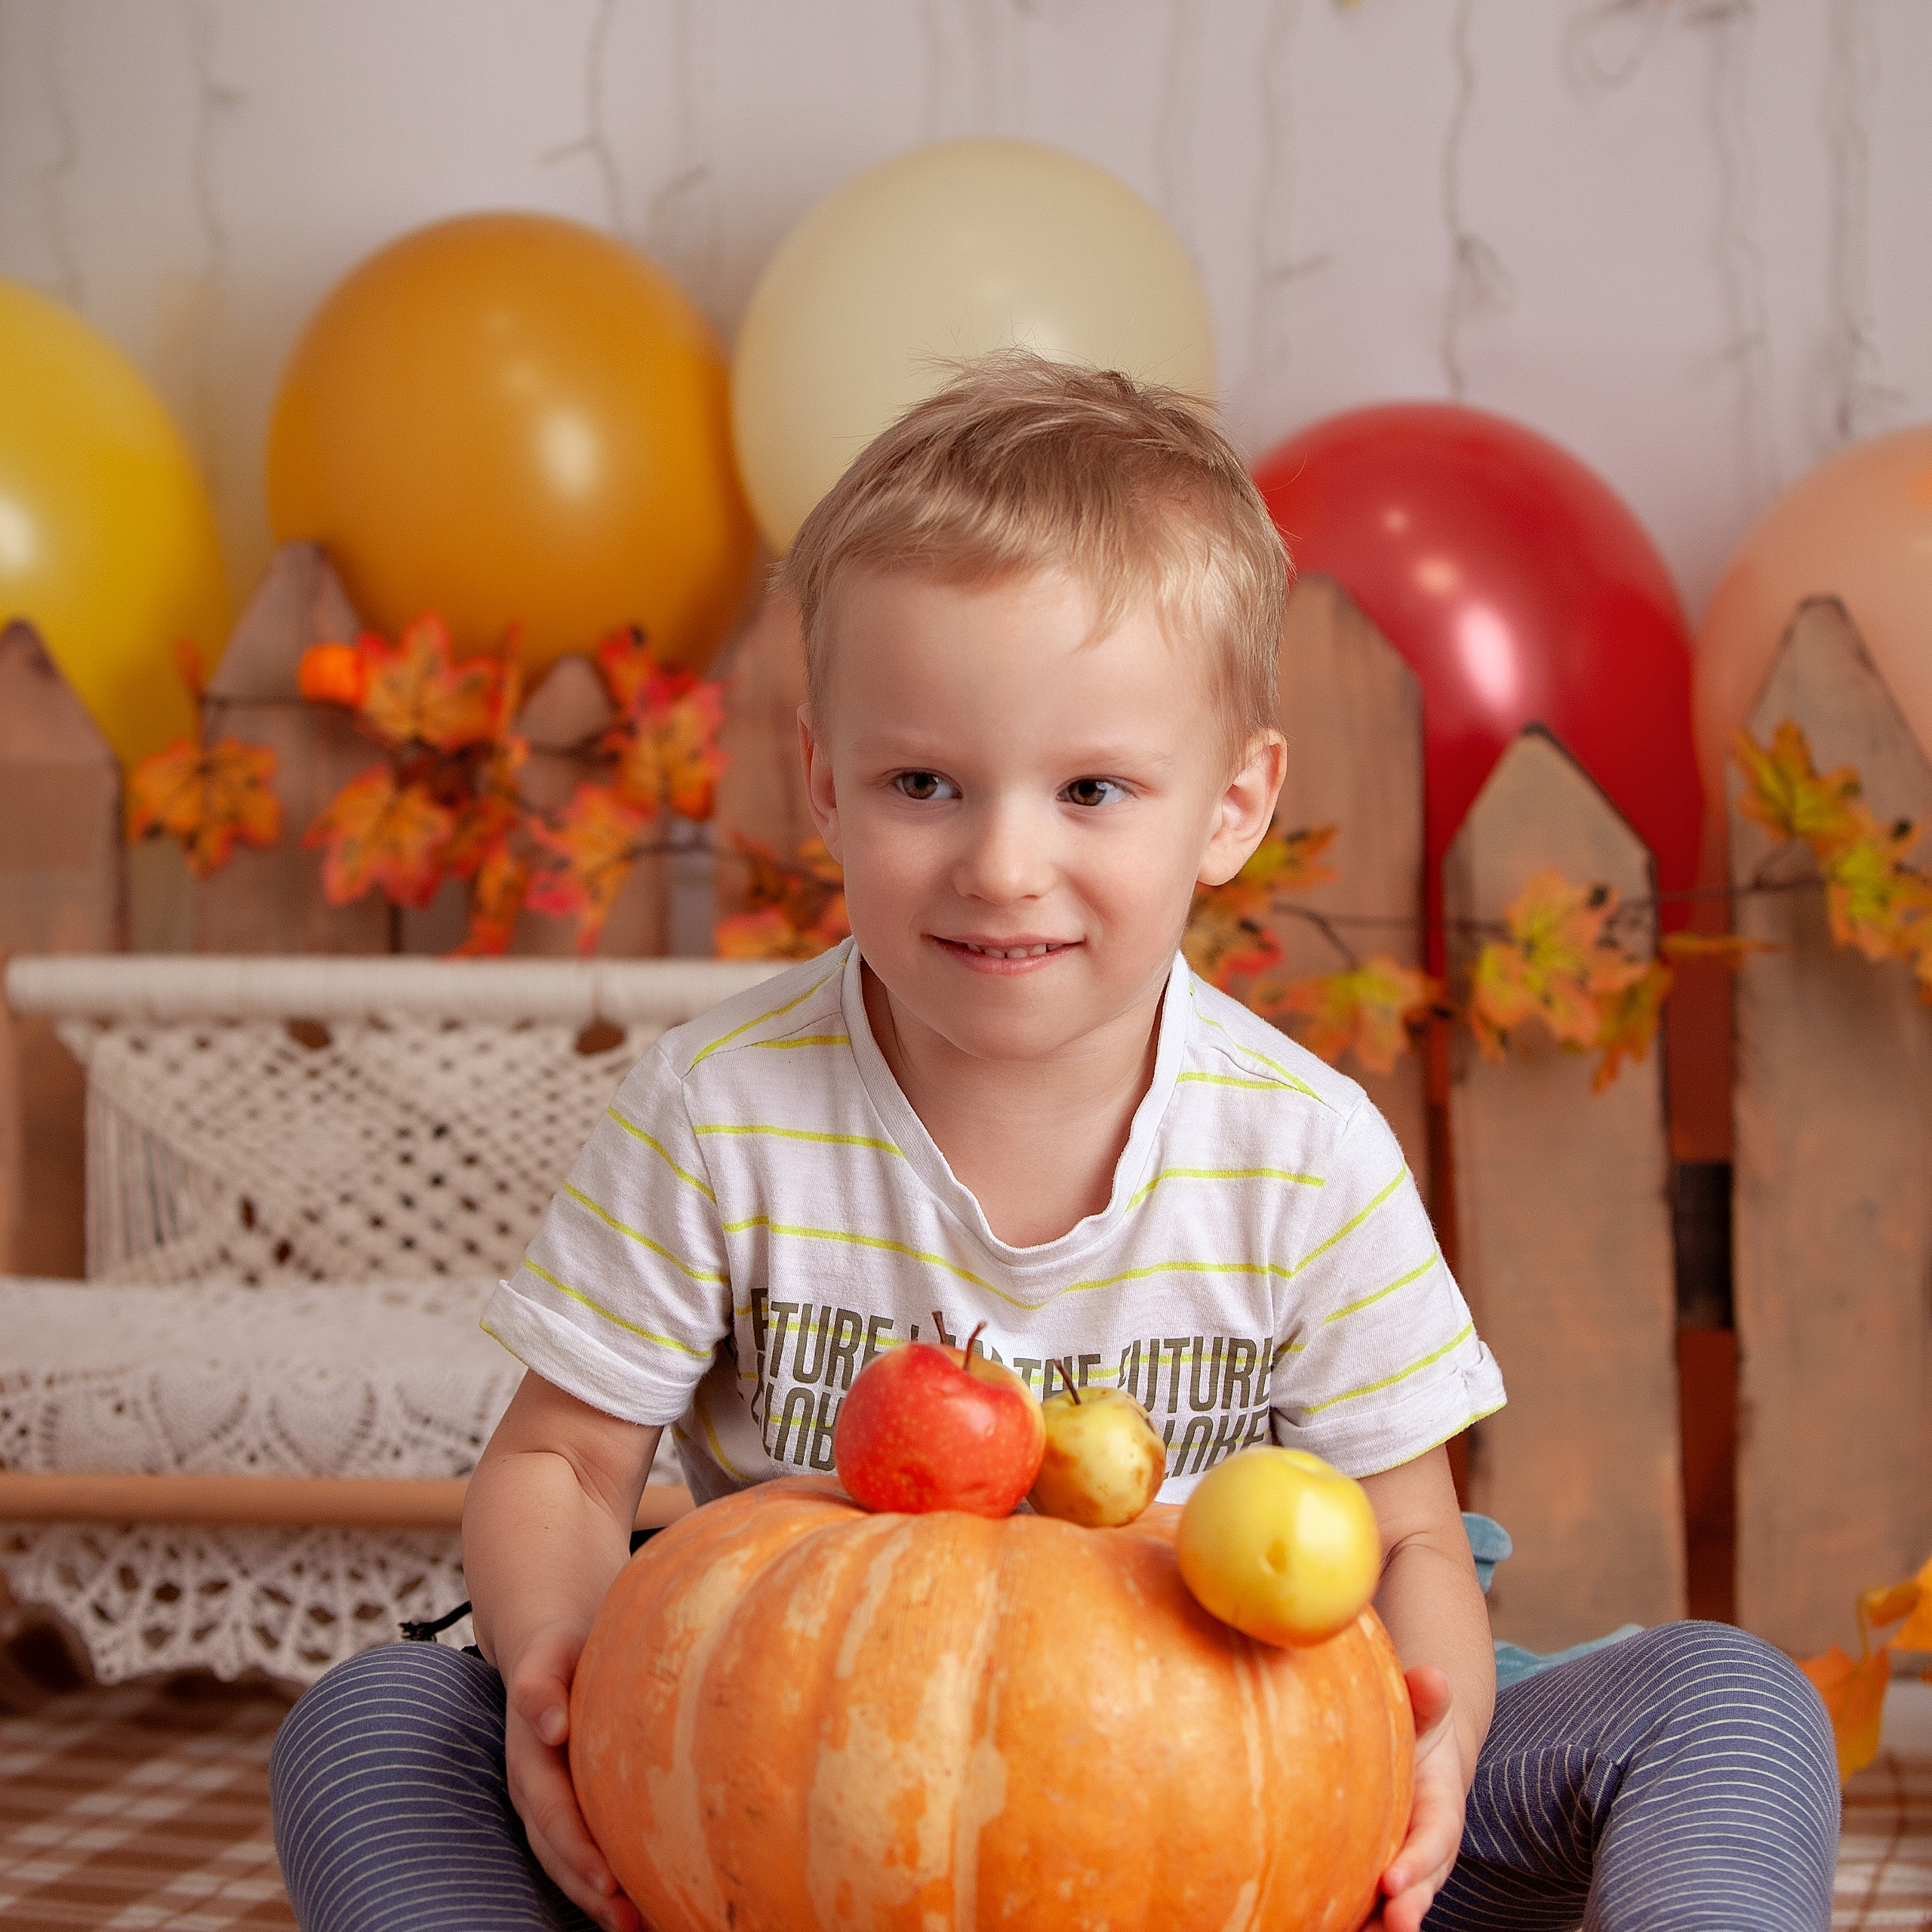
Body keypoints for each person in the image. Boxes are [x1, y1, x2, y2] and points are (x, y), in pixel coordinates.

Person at [272, 354, 1838, 1932]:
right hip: (795, 1802)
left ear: (1229, 807)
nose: (1002, 862)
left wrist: (1435, 1747)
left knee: (1722, 1699)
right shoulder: (719, 1112)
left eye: (1092, 787)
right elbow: (558, 1456)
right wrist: (554, 1654)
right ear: (823, 780)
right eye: (922, 783)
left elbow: (1412, 1528)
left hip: (1237, 1806)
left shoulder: (1298, 1148)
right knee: (377, 1725)